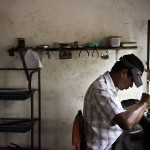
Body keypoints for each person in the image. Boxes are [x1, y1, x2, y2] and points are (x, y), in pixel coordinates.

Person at [83, 53, 150, 150]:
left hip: (110, 141)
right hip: (106, 147)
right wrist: (143, 104)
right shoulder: (101, 90)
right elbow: (127, 124)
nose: (131, 86)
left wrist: (139, 107)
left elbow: (118, 111)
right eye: (131, 81)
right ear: (124, 73)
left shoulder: (108, 86)